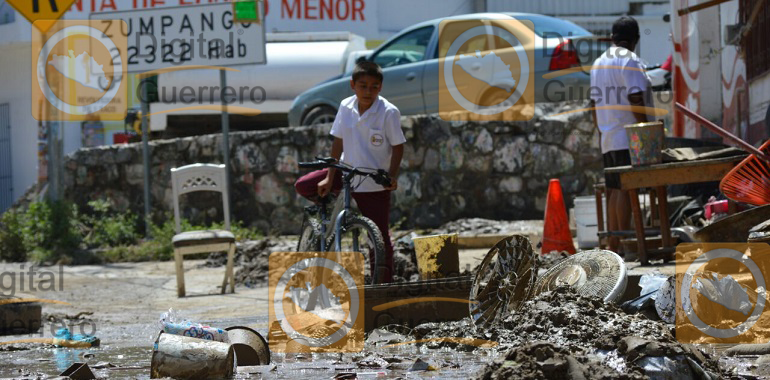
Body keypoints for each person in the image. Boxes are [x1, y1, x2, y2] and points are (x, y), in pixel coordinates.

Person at [294, 61, 405, 283]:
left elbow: (398, 146)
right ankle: (324, 217)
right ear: (353, 85)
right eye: (363, 86)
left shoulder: (388, 112)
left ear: (380, 88)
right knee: (304, 185)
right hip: (344, 173)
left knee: (379, 237)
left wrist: (391, 176)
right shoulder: (346, 106)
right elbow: (338, 141)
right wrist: (329, 176)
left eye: (374, 87)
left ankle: (382, 284)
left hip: (372, 182)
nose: (368, 91)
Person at [589, 16, 654, 255]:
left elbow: (593, 106)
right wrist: (647, 131)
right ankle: (622, 248)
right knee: (627, 190)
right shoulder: (630, 60)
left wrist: (602, 131)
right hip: (629, 137)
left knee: (615, 190)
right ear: (635, 39)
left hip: (608, 137)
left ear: (613, 38)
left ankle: (613, 247)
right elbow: (635, 97)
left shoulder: (599, 63)